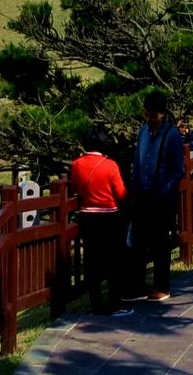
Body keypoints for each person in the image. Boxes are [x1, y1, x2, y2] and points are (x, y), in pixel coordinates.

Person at [127, 92, 186, 302]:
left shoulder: (171, 135)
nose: (150, 119)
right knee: (138, 243)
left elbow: (178, 170)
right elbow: (137, 161)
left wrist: (164, 192)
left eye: (154, 115)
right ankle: (138, 285)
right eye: (147, 114)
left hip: (161, 198)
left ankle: (162, 286)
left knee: (160, 243)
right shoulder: (142, 132)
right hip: (142, 196)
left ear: (162, 114)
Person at [65, 132, 129, 316]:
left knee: (92, 262)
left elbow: (76, 189)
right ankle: (114, 303)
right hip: (110, 216)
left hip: (88, 217)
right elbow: (121, 193)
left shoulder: (76, 164)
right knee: (113, 261)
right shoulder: (110, 165)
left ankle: (96, 306)